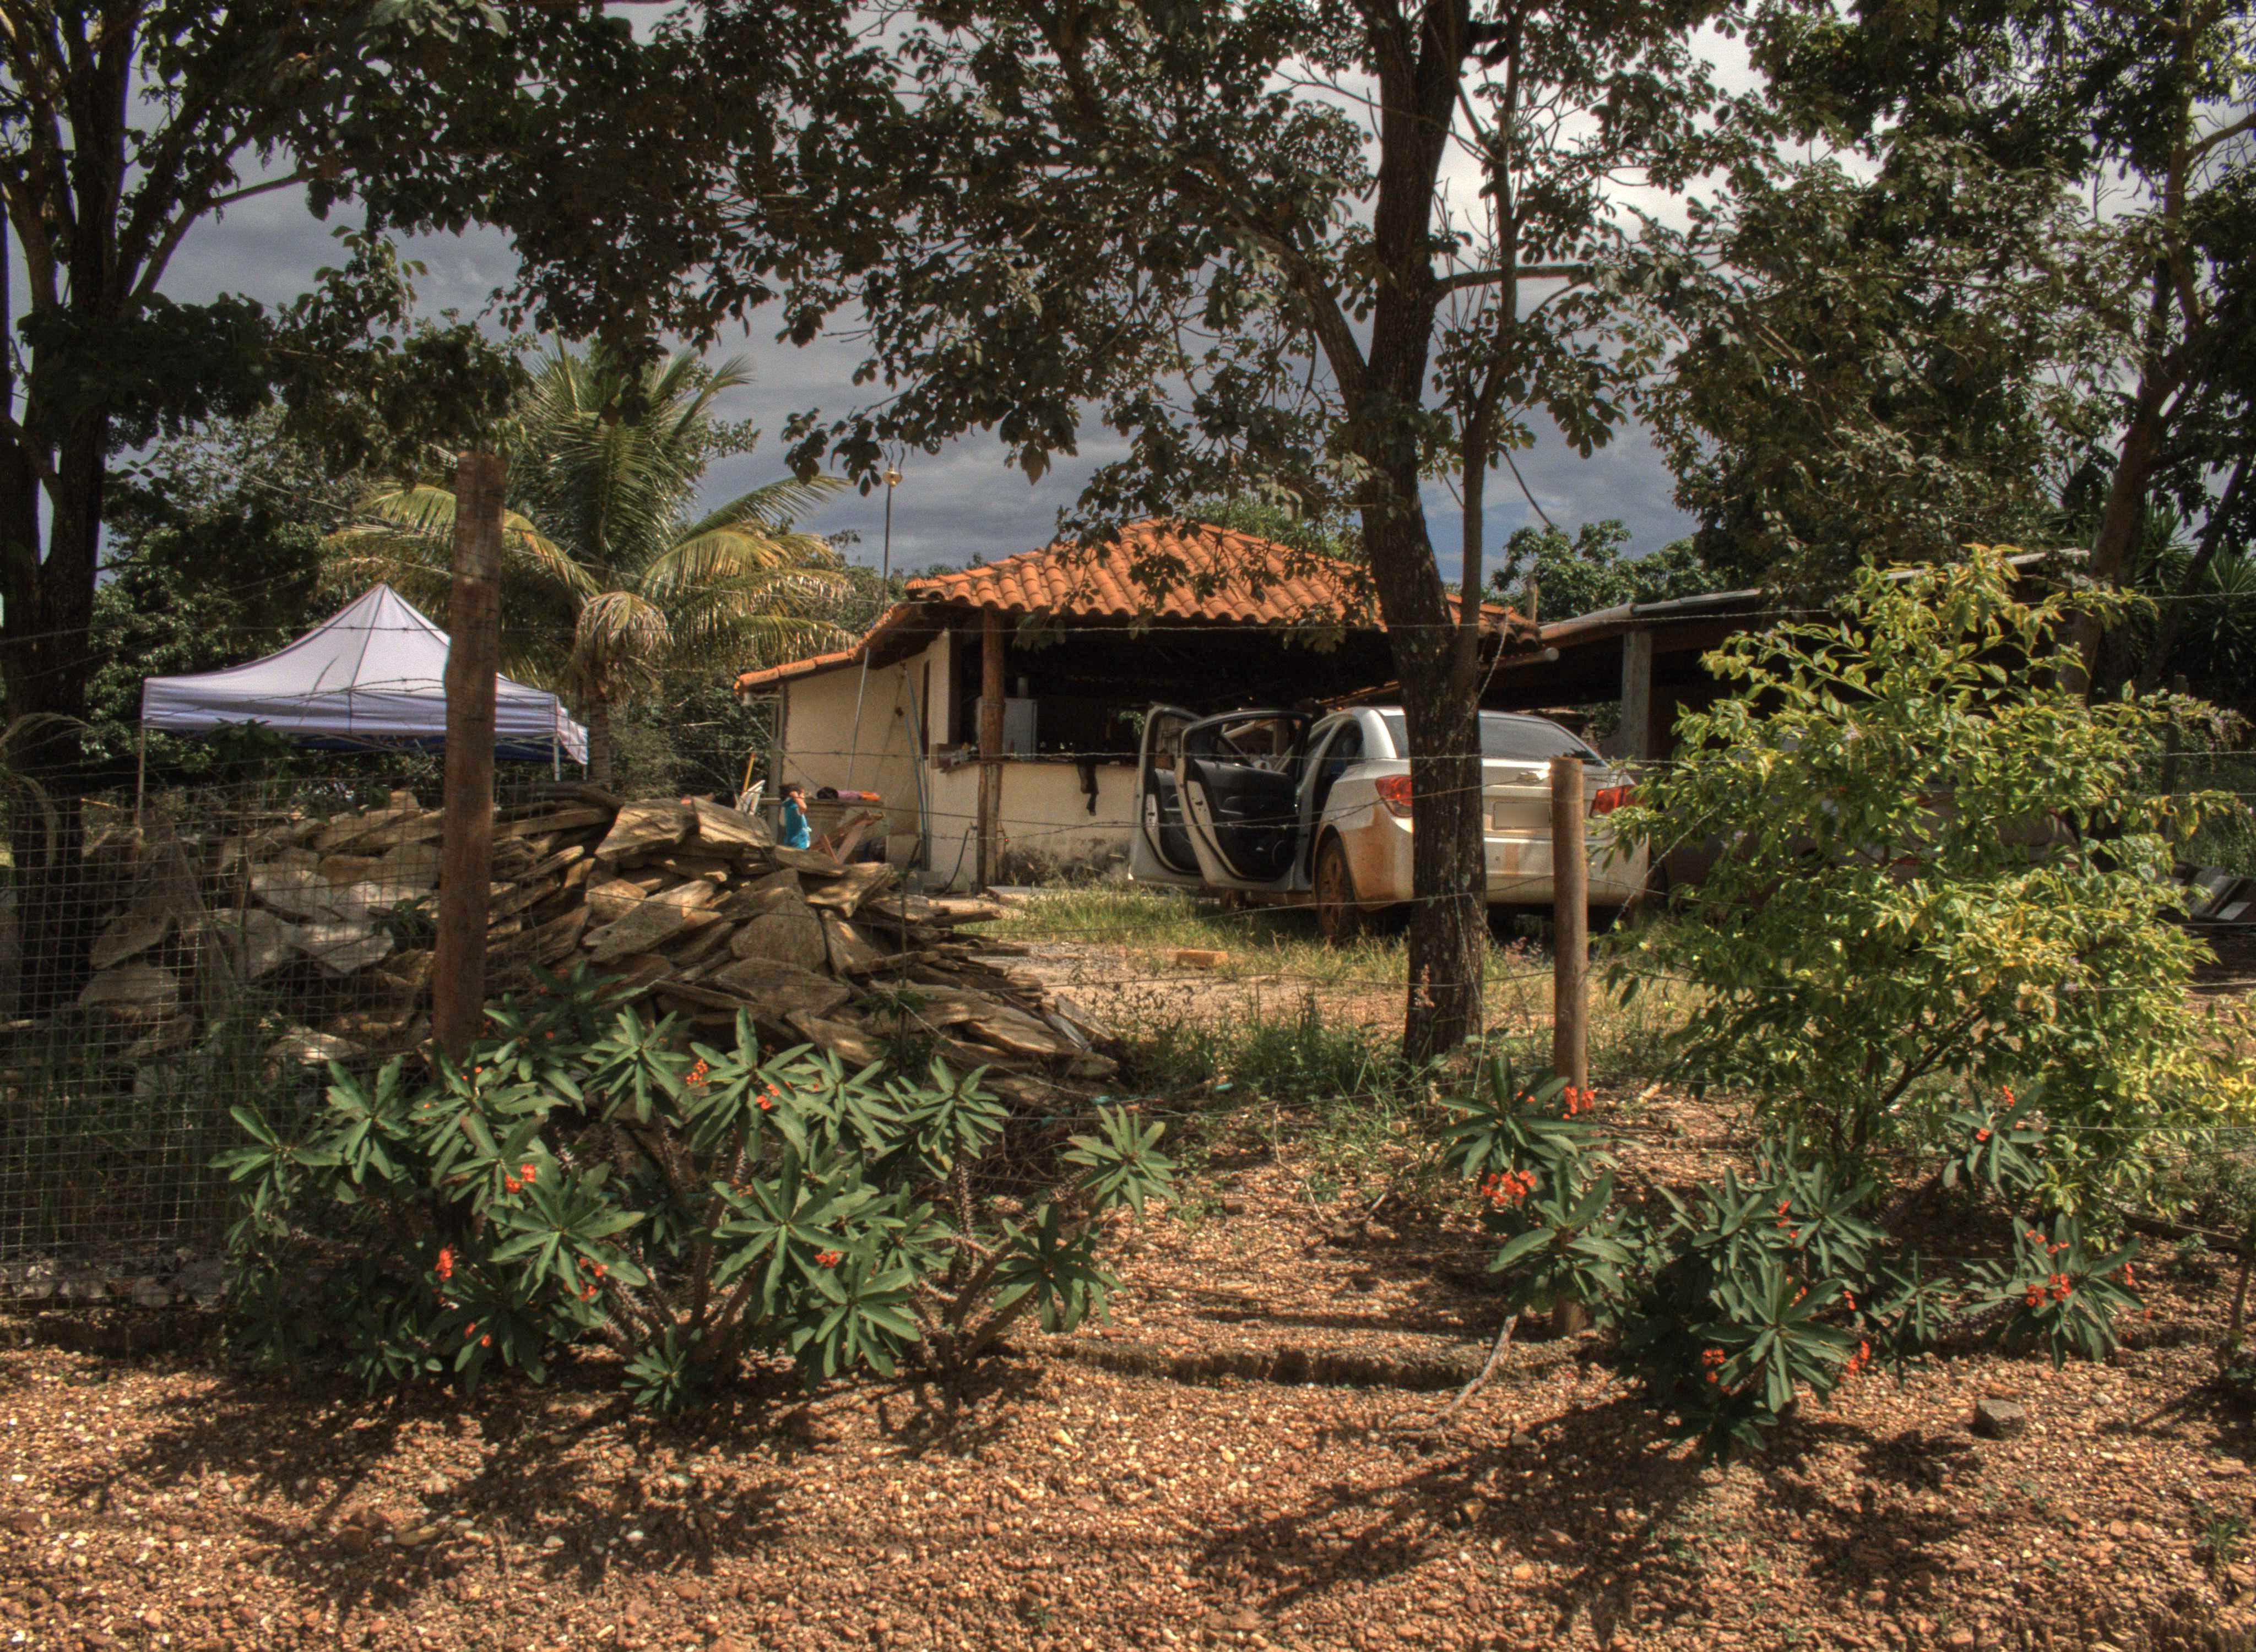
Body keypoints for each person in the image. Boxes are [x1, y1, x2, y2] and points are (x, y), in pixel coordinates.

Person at [777, 780, 815, 850]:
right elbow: (803, 807)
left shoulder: (789, 806)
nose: (804, 797)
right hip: (798, 844)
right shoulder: (794, 807)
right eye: (803, 795)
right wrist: (796, 797)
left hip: (795, 842)